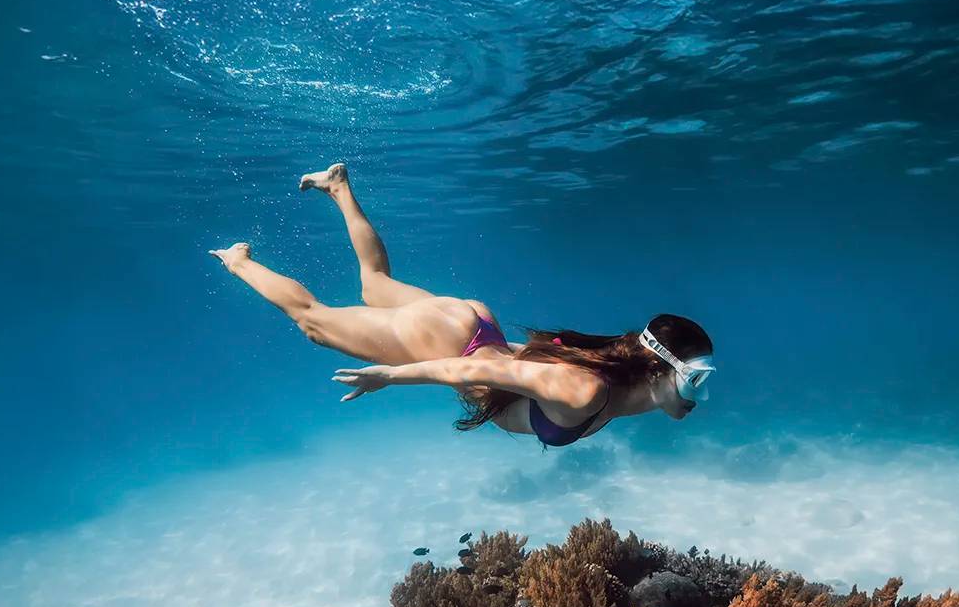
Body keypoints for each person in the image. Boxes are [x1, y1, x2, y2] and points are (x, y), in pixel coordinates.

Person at [210, 162, 715, 448]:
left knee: (374, 283)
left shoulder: (621, 385)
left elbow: (519, 364)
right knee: (313, 322)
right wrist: (385, 376)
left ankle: (339, 187)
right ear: (656, 369)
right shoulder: (584, 390)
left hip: (474, 329)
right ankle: (238, 261)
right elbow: (457, 370)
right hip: (452, 341)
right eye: (697, 379)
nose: (699, 395)